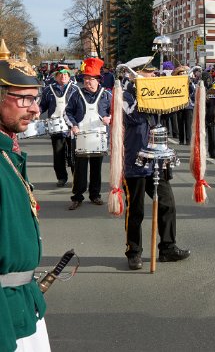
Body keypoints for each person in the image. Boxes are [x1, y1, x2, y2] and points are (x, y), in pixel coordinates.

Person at [0, 39, 51, 351]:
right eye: (25, 100)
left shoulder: (9, 152)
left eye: (36, 99)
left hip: (22, 306)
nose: (35, 109)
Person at [121, 63, 190, 270]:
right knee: (136, 210)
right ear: (135, 74)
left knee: (167, 204)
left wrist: (183, 80)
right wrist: (145, 92)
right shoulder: (124, 95)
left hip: (157, 160)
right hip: (135, 160)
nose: (153, 75)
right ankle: (133, 252)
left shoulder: (155, 92)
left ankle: (168, 247)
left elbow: (179, 103)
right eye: (148, 72)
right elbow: (131, 116)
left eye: (153, 72)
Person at [64, 58, 111, 210]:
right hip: (80, 137)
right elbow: (67, 112)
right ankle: (77, 196)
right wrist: (73, 126)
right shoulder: (76, 94)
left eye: (90, 79)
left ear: (98, 80)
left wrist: (109, 118)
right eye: (85, 79)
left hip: (99, 137)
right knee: (79, 169)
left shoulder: (106, 95)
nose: (87, 82)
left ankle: (95, 195)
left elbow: (115, 113)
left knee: (96, 168)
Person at [39, 67, 78, 186]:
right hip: (55, 127)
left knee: (74, 154)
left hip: (71, 126)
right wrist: (37, 111)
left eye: (66, 74)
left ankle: (76, 177)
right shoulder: (48, 90)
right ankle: (61, 177)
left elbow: (80, 108)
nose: (63, 76)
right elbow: (43, 106)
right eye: (60, 75)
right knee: (58, 154)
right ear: (55, 76)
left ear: (69, 76)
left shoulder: (75, 89)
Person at [174, 66, 193, 145]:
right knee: (180, 123)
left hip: (188, 105)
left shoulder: (189, 82)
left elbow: (192, 91)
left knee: (188, 124)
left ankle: (188, 140)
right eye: (180, 73)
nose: (182, 74)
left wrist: (189, 82)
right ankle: (181, 140)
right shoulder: (176, 83)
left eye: (183, 73)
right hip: (179, 105)